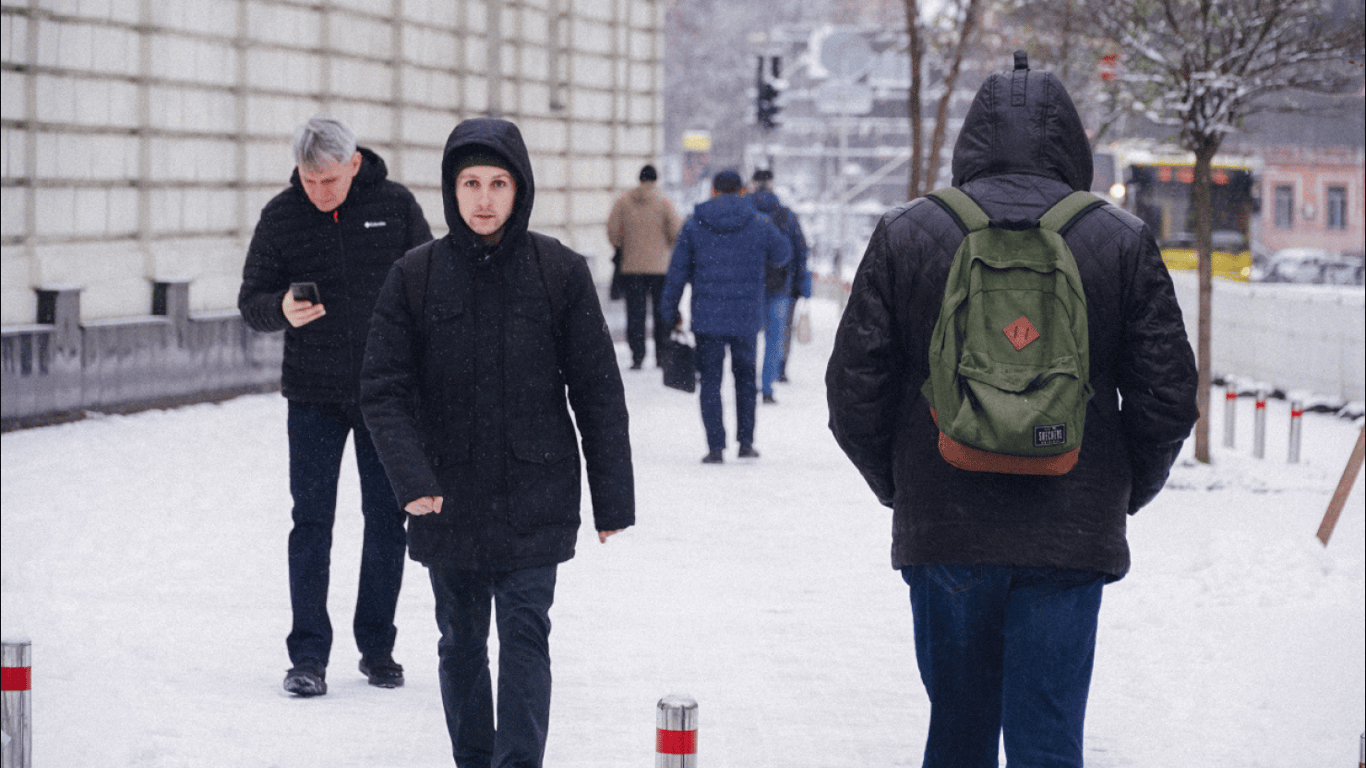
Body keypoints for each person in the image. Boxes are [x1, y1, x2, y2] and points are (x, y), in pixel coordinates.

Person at [825, 55, 1199, 767]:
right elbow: (1167, 393)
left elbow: (855, 389)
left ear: (970, 138)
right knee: (1048, 739)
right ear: (1071, 141)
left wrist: (903, 488)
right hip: (1071, 525)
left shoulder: (908, 231)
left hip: (946, 525)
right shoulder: (1119, 239)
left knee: (959, 734)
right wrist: (1120, 490)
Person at [359, 117, 634, 768]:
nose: (484, 198)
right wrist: (412, 479)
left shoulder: (558, 272)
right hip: (444, 499)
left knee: (524, 634)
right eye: (470, 182)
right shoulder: (415, 275)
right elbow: (383, 389)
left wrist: (612, 500)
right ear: (452, 191)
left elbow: (597, 390)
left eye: (498, 183)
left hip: (534, 491)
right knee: (458, 641)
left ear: (520, 189)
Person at [238, 115, 433, 697]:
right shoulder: (281, 215)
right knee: (311, 522)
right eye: (308, 180)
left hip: (384, 394)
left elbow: (431, 285)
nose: (319, 193)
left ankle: (377, 648)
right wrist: (281, 309)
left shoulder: (396, 206)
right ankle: (308, 656)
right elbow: (251, 301)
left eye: (329, 180)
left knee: (386, 521)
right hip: (313, 392)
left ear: (353, 164)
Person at [661, 169, 791, 464]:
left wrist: (668, 311)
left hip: (708, 317)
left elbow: (677, 272)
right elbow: (783, 253)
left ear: (714, 191)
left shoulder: (695, 223)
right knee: (745, 379)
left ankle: (716, 447)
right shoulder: (759, 222)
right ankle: (745, 442)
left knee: (710, 381)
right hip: (746, 316)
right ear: (742, 191)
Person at [606, 164, 684, 369]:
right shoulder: (664, 202)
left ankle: (637, 356)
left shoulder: (623, 202)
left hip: (631, 267)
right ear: (656, 179)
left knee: (635, 313)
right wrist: (665, 246)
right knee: (660, 312)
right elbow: (676, 231)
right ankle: (661, 356)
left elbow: (613, 231)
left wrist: (624, 245)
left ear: (639, 179)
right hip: (659, 268)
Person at [749, 169, 810, 402]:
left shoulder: (744, 212)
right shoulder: (787, 215)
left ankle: (748, 381)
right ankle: (767, 385)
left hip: (750, 285)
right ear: (772, 186)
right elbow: (801, 250)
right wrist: (802, 286)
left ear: (753, 185)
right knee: (776, 336)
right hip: (780, 285)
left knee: (749, 337)